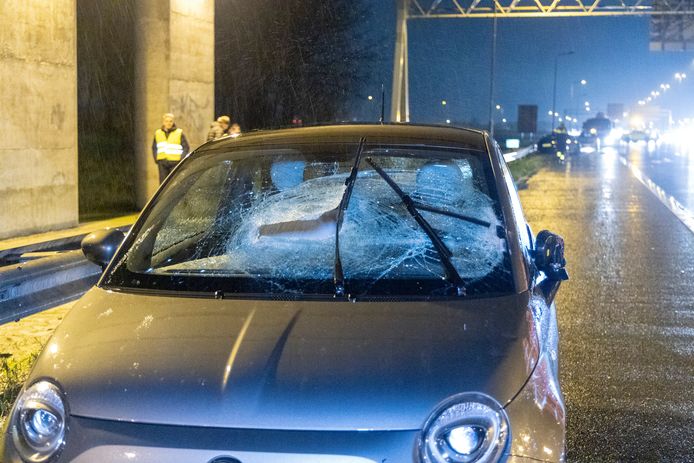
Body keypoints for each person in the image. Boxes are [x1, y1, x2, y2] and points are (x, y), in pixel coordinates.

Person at [152, 113, 189, 183]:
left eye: (170, 121)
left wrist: (181, 159)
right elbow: (154, 147)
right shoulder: (158, 133)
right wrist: (156, 158)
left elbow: (186, 147)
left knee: (174, 182)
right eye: (166, 121)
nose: (168, 123)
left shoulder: (179, 132)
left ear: (173, 122)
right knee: (163, 183)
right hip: (162, 162)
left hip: (175, 162)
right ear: (163, 122)